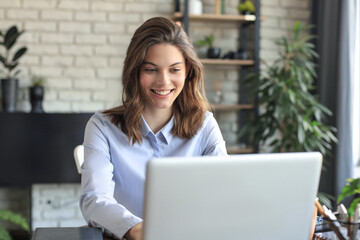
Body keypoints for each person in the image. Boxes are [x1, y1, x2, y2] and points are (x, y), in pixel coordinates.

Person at [79, 17, 227, 240]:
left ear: (188, 72)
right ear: (135, 72)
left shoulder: (205, 126)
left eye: (174, 70)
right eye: (151, 69)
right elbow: (94, 200)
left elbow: (224, 195)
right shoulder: (102, 127)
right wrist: (139, 231)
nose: (164, 81)